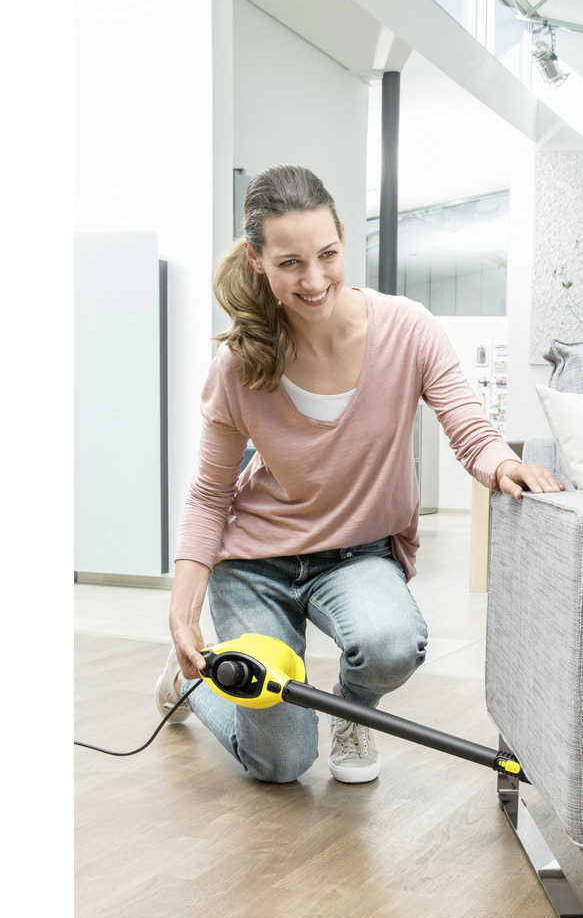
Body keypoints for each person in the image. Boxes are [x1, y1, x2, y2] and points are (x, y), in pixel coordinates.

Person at [158, 165, 561, 785]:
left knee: (392, 642)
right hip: (255, 564)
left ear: (344, 237)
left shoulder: (407, 328)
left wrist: (504, 464)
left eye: (327, 254)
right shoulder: (238, 364)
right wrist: (184, 615)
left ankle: (352, 714)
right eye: (290, 262)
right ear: (257, 259)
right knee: (281, 765)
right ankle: (195, 686)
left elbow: (468, 428)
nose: (315, 280)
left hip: (356, 555)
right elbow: (210, 496)